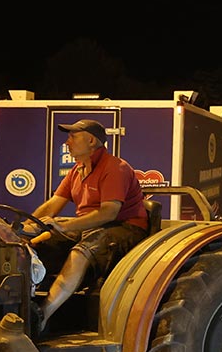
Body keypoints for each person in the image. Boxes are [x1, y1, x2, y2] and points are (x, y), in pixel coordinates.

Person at [30, 119, 149, 333]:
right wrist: (27, 225)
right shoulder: (77, 170)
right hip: (94, 228)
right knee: (33, 247)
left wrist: (66, 226)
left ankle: (42, 316)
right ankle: (22, 306)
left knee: (80, 253)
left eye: (73, 136)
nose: (67, 142)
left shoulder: (115, 168)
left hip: (124, 227)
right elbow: (52, 205)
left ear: (91, 140)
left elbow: (108, 213)